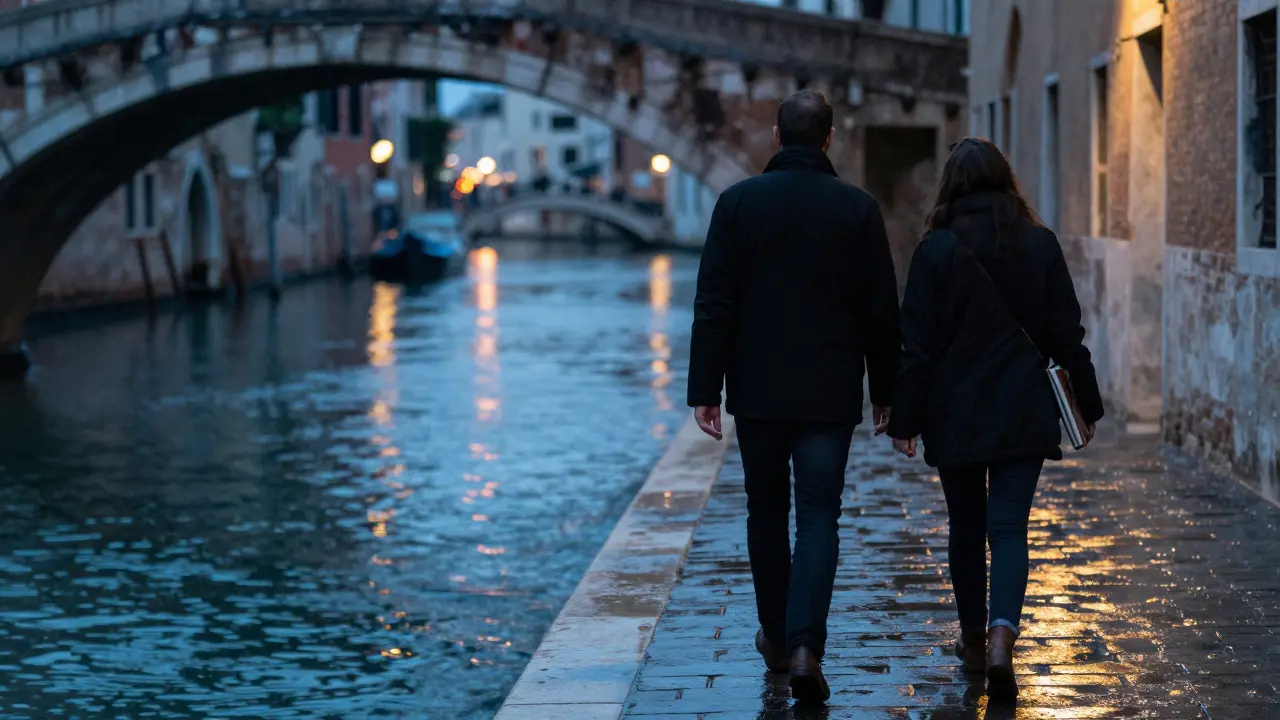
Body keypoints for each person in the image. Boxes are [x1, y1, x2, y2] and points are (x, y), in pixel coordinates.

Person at [686, 89, 901, 704]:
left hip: (756, 392)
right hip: (829, 394)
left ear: (777, 137)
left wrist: (705, 388)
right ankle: (807, 647)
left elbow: (714, 303)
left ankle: (778, 640)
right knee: (819, 515)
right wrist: (886, 389)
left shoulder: (737, 204)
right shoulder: (858, 209)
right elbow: (881, 312)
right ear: (829, 139)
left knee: (765, 514)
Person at [885, 137, 1105, 701]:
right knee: (1008, 529)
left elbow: (917, 346)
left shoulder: (934, 250)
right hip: (1020, 409)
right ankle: (1004, 632)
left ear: (951, 185)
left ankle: (975, 642)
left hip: (955, 411)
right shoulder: (1039, 243)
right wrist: (1088, 401)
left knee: (965, 527)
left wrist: (904, 419)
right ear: (1006, 179)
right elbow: (1065, 334)